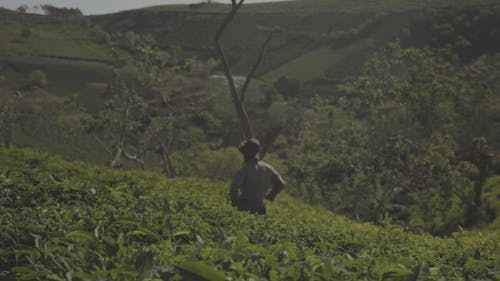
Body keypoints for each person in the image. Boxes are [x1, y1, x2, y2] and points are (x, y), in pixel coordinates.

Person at [230, 138, 285, 214]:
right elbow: (281, 183)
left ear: (245, 153)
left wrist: (235, 202)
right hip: (261, 209)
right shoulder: (268, 168)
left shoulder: (245, 168)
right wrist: (271, 195)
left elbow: (234, 187)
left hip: (245, 209)